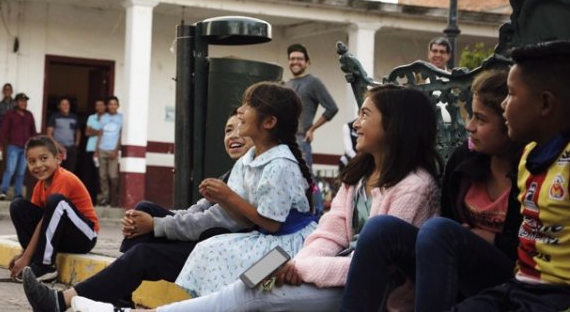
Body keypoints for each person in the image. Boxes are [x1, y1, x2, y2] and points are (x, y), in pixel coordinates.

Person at [71, 84, 442, 312]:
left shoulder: (413, 185)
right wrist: (301, 264)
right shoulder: (358, 177)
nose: (356, 123)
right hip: (308, 263)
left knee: (253, 295)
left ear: (394, 126)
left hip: (364, 286)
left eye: (365, 114)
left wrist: (301, 268)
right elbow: (328, 235)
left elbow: (372, 264)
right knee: (246, 284)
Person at [21, 110, 253, 312]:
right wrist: (150, 219)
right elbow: (196, 211)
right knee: (143, 209)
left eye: (241, 127)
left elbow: (211, 222)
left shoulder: (259, 171)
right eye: (228, 129)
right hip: (212, 239)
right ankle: (121, 295)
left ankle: (60, 302)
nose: (233, 135)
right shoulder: (234, 172)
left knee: (143, 252)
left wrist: (155, 225)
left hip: (220, 251)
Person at [340, 70, 523, 311]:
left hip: (504, 270)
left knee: (439, 230)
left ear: (509, 121)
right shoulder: (464, 160)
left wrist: (491, 238)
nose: (469, 127)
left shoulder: (531, 167)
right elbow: (447, 222)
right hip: (452, 259)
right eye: (471, 116)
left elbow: (533, 245)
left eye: (481, 119)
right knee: (380, 227)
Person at [450, 41, 570, 311]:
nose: (504, 105)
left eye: (512, 94)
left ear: (545, 103)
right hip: (518, 287)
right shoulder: (528, 156)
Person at [173, 82, 317, 297]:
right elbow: (246, 219)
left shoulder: (280, 164)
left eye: (248, 105)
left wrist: (228, 196)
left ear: (269, 122)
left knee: (249, 286)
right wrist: (221, 199)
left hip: (289, 247)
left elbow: (272, 223)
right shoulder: (247, 161)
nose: (240, 111)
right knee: (207, 249)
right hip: (265, 239)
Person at [8, 135, 99, 282]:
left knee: (57, 202)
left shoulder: (64, 178)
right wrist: (23, 254)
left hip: (84, 236)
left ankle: (45, 267)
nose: (38, 165)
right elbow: (37, 222)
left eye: (44, 158)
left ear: (58, 158)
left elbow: (44, 221)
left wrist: (26, 256)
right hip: (61, 236)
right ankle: (34, 262)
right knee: (18, 206)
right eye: (32, 161)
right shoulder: (40, 186)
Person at [283, 43, 338, 171]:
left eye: (300, 59)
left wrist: (312, 129)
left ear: (307, 63)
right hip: (283, 140)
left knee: (306, 182)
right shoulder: (286, 84)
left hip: (301, 140)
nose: (295, 62)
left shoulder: (313, 82)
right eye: (292, 59)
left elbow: (332, 108)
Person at [0, 93, 36, 200]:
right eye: (21, 101)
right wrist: (1, 145)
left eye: (25, 101)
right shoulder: (10, 114)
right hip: (13, 146)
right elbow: (4, 131)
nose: (24, 103)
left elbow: (33, 132)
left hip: (26, 148)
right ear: (16, 102)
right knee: (10, 170)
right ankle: (3, 192)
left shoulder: (29, 115)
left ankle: (18, 194)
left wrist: (34, 147)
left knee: (21, 172)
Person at [96, 96, 123, 206]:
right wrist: (96, 150)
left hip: (113, 150)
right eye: (110, 104)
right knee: (102, 176)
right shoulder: (103, 117)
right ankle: (105, 199)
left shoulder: (121, 118)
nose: (112, 106)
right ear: (107, 106)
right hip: (102, 149)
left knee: (113, 176)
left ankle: (114, 198)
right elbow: (100, 134)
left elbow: (121, 135)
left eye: (114, 104)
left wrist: (116, 150)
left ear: (118, 105)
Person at [47, 98, 81, 172]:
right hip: (58, 149)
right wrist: (60, 147)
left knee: (70, 171)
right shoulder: (54, 117)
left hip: (71, 148)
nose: (66, 106)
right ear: (59, 106)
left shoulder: (74, 117)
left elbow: (78, 131)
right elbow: (49, 135)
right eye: (63, 104)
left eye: (67, 104)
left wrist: (77, 143)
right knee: (57, 171)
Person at [82, 99, 106, 202]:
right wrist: (98, 132)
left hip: (102, 149)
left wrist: (93, 131)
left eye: (101, 105)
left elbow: (105, 133)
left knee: (99, 175)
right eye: (97, 105)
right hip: (90, 149)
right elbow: (87, 132)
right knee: (89, 174)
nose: (99, 107)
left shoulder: (107, 118)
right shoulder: (91, 117)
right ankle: (88, 197)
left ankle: (99, 198)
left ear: (105, 107)